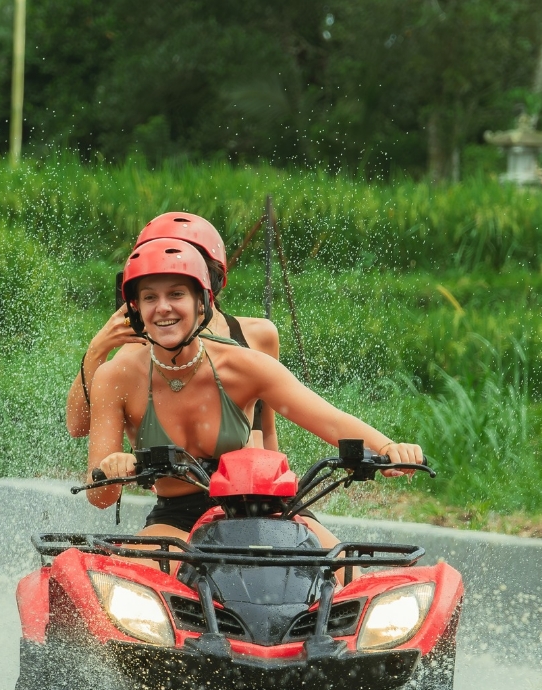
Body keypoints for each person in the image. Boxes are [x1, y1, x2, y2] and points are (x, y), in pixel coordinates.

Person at [87, 238, 422, 541]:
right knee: (133, 587)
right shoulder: (115, 377)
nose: (163, 307)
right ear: (136, 311)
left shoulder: (242, 366)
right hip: (177, 518)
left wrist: (389, 447)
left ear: (201, 303)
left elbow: (329, 420)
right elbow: (99, 497)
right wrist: (114, 471)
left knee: (345, 576)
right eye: (149, 297)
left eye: (176, 294)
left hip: (268, 510)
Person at [66, 212, 281, 449]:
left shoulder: (258, 335)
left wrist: (278, 479)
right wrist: (99, 347)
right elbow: (78, 426)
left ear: (211, 279)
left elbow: (267, 432)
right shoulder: (139, 351)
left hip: (251, 482)